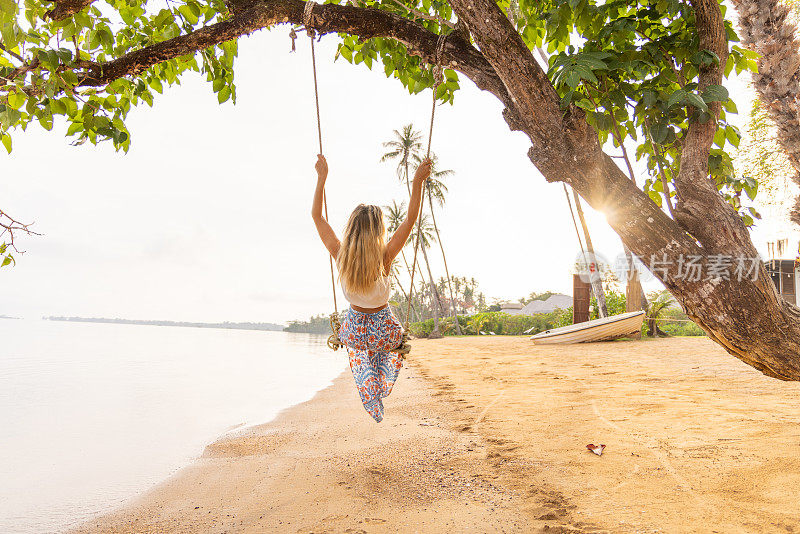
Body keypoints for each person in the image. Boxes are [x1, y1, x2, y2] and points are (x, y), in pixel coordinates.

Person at [311, 154, 430, 422]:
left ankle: (371, 394)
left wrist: (321, 179)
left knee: (362, 354)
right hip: (384, 333)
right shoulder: (385, 258)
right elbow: (410, 220)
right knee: (389, 348)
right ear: (379, 230)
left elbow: (317, 217)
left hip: (354, 332)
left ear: (351, 229)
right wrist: (417, 183)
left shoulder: (341, 255)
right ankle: (378, 389)